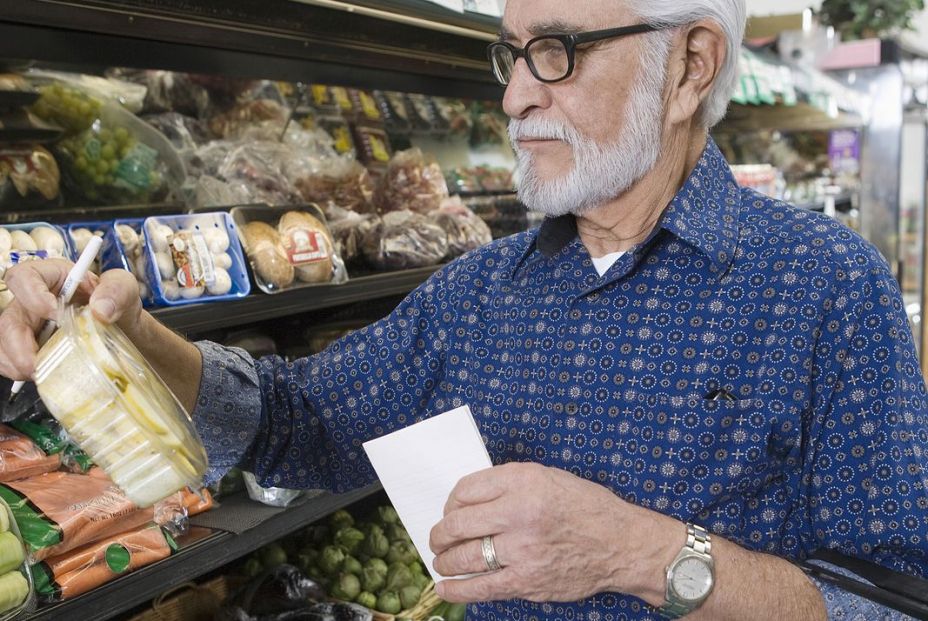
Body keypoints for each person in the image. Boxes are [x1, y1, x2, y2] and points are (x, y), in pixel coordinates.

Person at [1, 0, 926, 619]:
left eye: (558, 52)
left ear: (689, 68)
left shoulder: (826, 288)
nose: (517, 94)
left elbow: (894, 597)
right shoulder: (484, 291)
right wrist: (130, 335)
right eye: (512, 55)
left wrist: (646, 552)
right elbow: (295, 420)